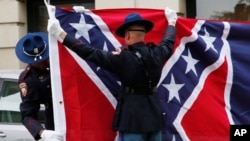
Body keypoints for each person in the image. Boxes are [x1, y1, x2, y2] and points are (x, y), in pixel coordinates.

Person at [47, 7, 177, 141]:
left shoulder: (123, 58)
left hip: (132, 120)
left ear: (127, 35)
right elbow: (169, 41)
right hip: (154, 117)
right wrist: (172, 22)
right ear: (144, 34)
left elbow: (90, 53)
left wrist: (61, 34)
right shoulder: (158, 53)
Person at [15, 32, 63, 141]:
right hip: (56, 121)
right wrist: (42, 132)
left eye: (44, 59)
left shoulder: (59, 62)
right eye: (37, 62)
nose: (42, 64)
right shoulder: (28, 80)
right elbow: (27, 115)